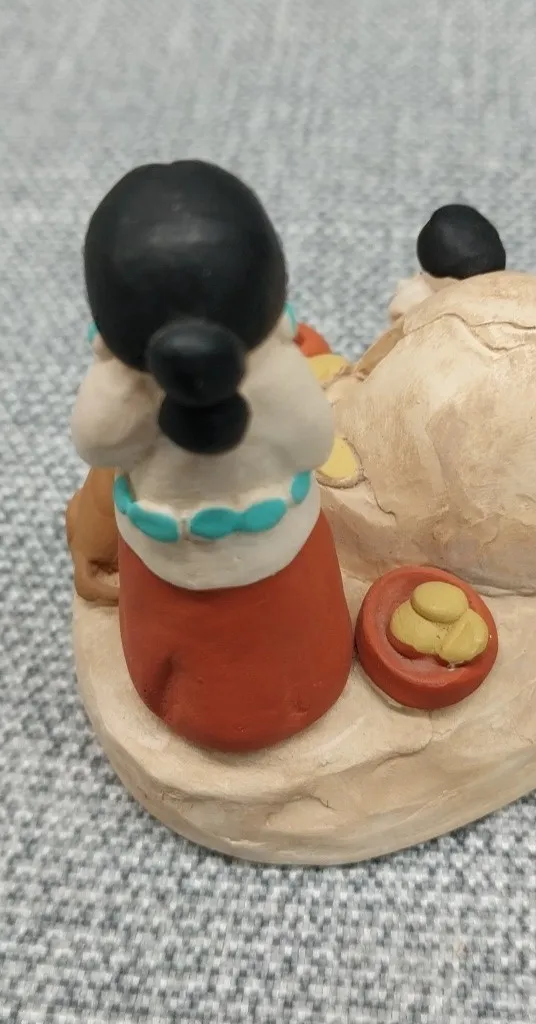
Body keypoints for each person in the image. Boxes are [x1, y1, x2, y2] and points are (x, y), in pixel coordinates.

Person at [71, 160, 353, 753]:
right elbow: (314, 443)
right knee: (288, 667)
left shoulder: (121, 387)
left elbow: (95, 441)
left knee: (197, 673)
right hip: (263, 552)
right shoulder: (278, 374)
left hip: (177, 555)